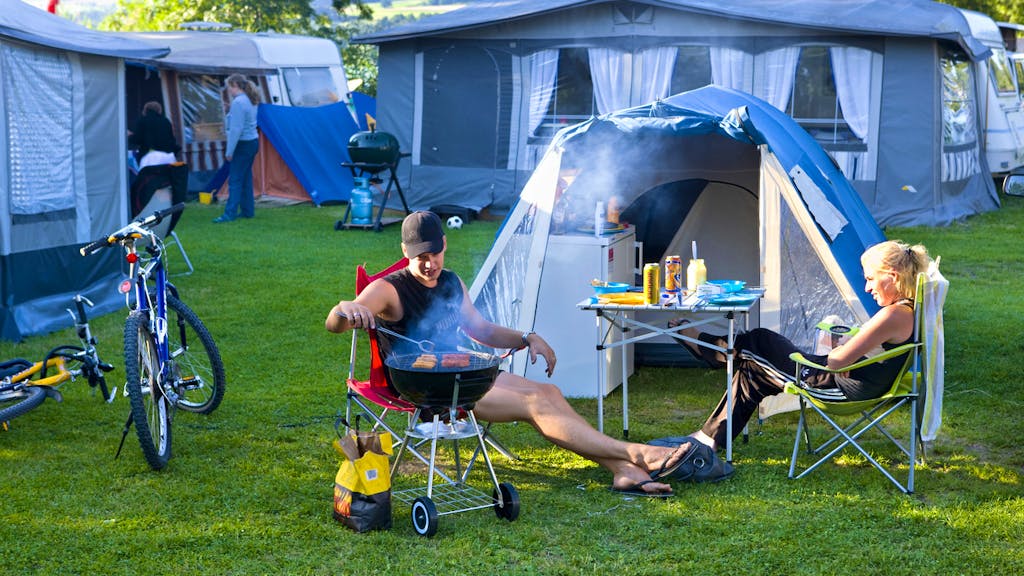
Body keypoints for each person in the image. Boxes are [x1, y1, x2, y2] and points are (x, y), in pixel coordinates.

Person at [325, 211, 733, 497]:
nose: (428, 263)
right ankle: (638, 454)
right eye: (419, 255)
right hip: (426, 388)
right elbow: (337, 320)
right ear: (405, 249)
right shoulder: (390, 289)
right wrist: (347, 310)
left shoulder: (450, 282)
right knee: (536, 403)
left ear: (444, 245)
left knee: (549, 395)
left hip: (464, 371)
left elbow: (479, 330)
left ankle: (623, 471)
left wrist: (526, 337)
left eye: (433, 252)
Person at [670, 240, 930, 452]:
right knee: (754, 370)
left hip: (837, 388)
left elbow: (837, 361)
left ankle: (704, 347)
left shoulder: (893, 315)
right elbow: (854, 352)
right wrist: (848, 354)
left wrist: (844, 357)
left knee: (758, 343)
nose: (867, 287)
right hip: (841, 379)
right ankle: (709, 439)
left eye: (871, 279)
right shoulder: (905, 311)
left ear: (892, 277)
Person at [214, 73, 260, 223]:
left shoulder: (238, 102)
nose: (229, 91)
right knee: (245, 178)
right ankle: (247, 211)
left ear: (236, 86)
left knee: (235, 180)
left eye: (230, 88)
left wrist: (229, 151)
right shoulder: (250, 99)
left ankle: (229, 213)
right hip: (252, 142)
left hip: (243, 144)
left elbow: (236, 130)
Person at [129, 101, 179, 170]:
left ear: (145, 110)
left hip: (150, 158)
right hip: (168, 157)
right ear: (159, 110)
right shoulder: (166, 121)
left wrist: (130, 136)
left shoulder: (142, 121)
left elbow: (137, 139)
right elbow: (172, 139)